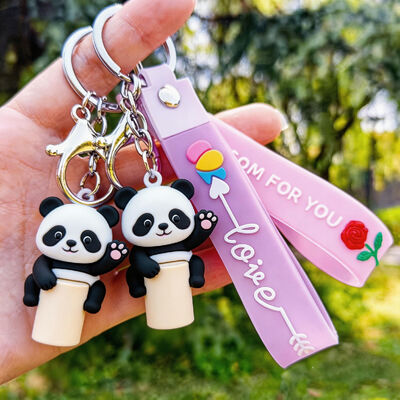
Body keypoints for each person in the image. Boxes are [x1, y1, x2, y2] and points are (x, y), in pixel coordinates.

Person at [0, 0, 283, 384]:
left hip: (167, 271)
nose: (163, 227)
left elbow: (183, 241)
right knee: (104, 289)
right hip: (69, 290)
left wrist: (200, 227)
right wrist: (102, 266)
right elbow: (61, 268)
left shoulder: (150, 223)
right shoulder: (71, 245)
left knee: (178, 273)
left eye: (174, 218)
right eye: (148, 223)